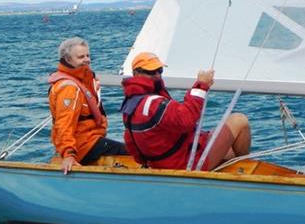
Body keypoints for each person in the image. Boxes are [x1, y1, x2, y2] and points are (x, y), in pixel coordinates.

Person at [121, 52, 251, 170]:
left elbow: (131, 142)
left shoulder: (131, 104)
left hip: (164, 164)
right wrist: (201, 86)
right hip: (185, 164)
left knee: (230, 151)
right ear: (136, 74)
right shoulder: (152, 103)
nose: (157, 75)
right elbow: (186, 120)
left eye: (159, 70)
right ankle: (248, 174)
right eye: (151, 72)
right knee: (239, 121)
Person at [49, 37, 128, 174]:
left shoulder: (85, 79)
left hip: (91, 141)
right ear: (68, 59)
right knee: (136, 154)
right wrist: (68, 155)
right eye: (81, 57)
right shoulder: (69, 88)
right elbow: (64, 123)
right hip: (84, 147)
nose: (87, 59)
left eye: (87, 55)